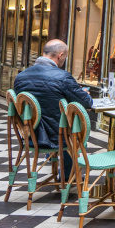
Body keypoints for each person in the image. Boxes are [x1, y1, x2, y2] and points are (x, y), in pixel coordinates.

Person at [14, 39, 93, 180]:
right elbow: (87, 102)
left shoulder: (20, 77)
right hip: (57, 137)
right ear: (60, 55)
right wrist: (82, 93)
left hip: (29, 134)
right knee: (73, 129)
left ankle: (52, 157)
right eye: (65, 57)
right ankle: (68, 176)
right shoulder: (62, 77)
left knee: (57, 119)